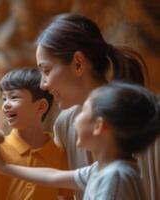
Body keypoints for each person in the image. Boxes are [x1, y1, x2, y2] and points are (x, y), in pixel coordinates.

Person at [33, 13, 159, 199]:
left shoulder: (152, 116)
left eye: (46, 70)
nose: (43, 84)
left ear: (77, 63)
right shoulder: (64, 125)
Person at [0, 82, 160, 200]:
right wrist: (5, 168)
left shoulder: (114, 177)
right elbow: (54, 176)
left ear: (99, 126)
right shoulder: (102, 170)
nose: (76, 119)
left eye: (83, 111)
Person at [0, 68, 74, 200]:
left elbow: (67, 196)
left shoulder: (59, 152)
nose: (5, 105)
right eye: (4, 99)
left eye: (14, 97)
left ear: (41, 106)